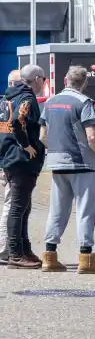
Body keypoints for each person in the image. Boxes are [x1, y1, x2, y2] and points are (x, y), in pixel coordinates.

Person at [40, 65, 95, 273]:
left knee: (57, 209)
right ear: (84, 83)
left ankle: (49, 255)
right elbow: (91, 136)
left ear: (65, 80)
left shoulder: (50, 103)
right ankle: (86, 258)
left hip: (56, 161)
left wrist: (55, 150)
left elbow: (43, 136)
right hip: (81, 163)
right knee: (86, 210)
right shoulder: (84, 103)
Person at [0, 64, 47, 269]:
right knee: (18, 208)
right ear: (36, 79)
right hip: (20, 160)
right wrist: (27, 145)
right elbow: (19, 122)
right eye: (43, 79)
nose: (44, 83)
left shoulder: (8, 98)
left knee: (23, 207)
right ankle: (15, 254)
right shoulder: (27, 98)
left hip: (9, 157)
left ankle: (24, 249)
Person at [0, 69, 20, 264]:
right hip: (11, 159)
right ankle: (4, 248)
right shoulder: (14, 103)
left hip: (4, 158)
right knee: (11, 204)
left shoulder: (1, 102)